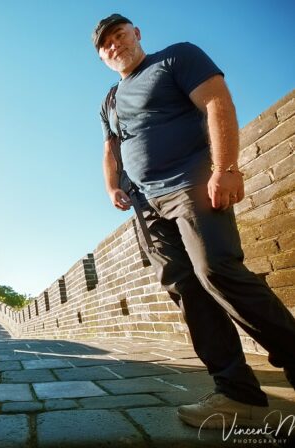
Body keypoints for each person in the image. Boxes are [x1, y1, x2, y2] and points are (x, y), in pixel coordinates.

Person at [93, 13, 295, 429]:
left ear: (137, 33)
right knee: (185, 288)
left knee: (217, 270)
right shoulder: (109, 100)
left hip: (191, 183)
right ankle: (238, 394)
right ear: (101, 56)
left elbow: (217, 101)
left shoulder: (176, 58)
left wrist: (226, 167)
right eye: (105, 45)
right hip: (145, 205)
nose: (115, 45)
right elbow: (111, 148)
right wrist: (113, 187)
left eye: (119, 35)